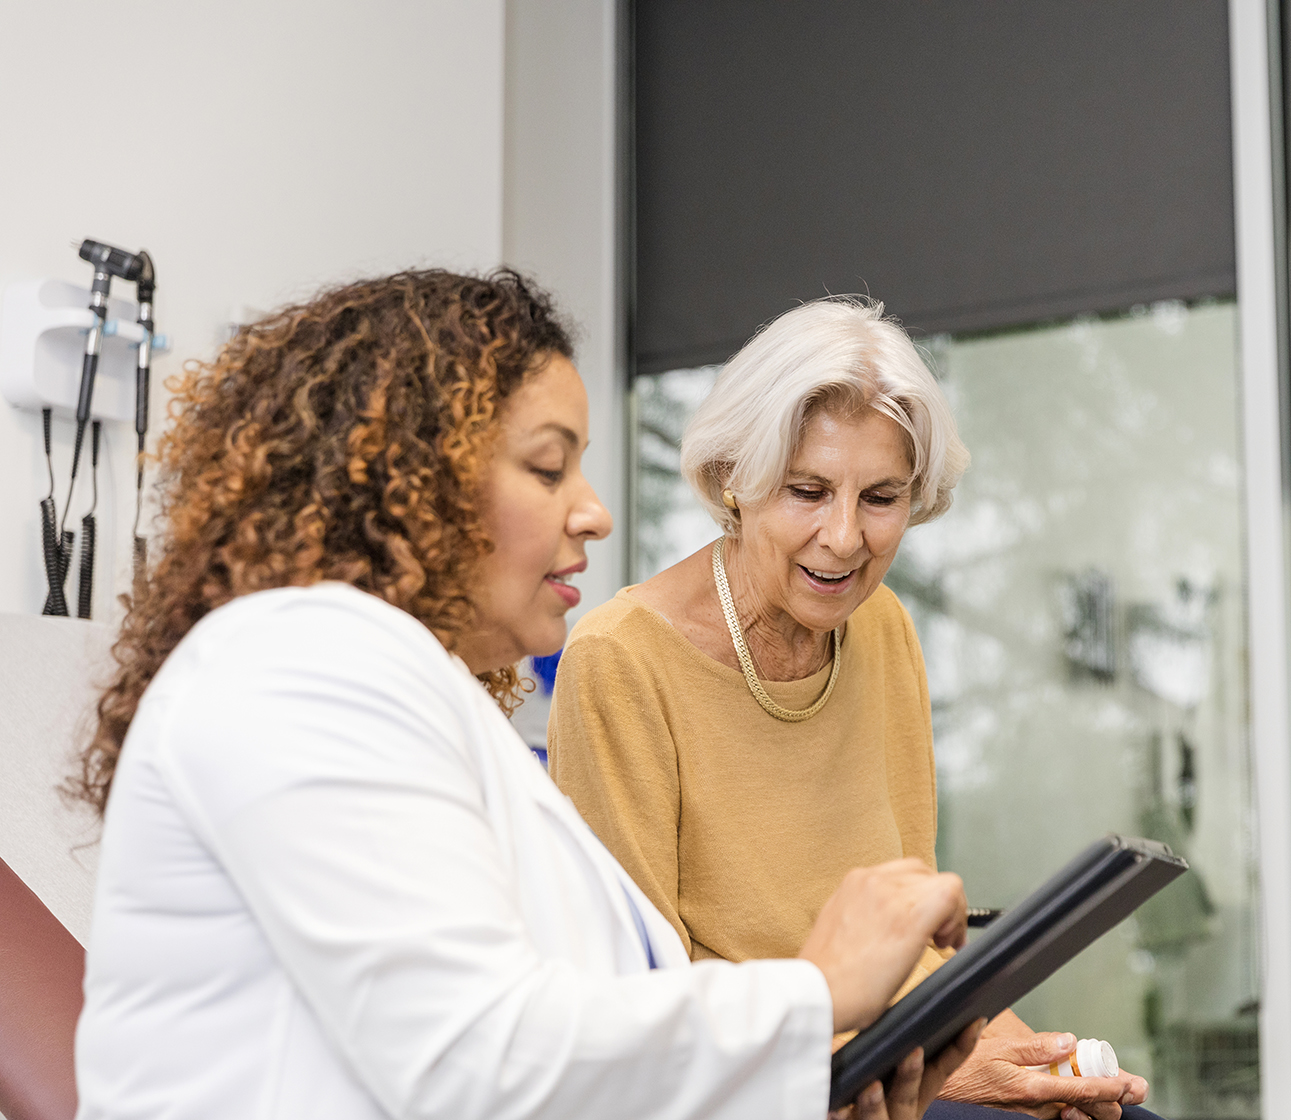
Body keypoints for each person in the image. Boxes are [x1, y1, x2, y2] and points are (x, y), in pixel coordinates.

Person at [70, 270, 981, 1120]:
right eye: (549, 470)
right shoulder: (295, 668)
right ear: (413, 480)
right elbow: (476, 1059)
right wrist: (817, 994)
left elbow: (590, 1033)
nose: (595, 511)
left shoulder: (435, 708)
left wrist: (830, 1074)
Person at [548, 297, 1154, 1120]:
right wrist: (925, 1065)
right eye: (807, 490)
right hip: (759, 1087)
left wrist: (1017, 1052)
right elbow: (644, 1003)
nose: (843, 538)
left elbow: (914, 936)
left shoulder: (885, 626)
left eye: (880, 498)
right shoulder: (619, 659)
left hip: (894, 1063)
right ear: (736, 480)